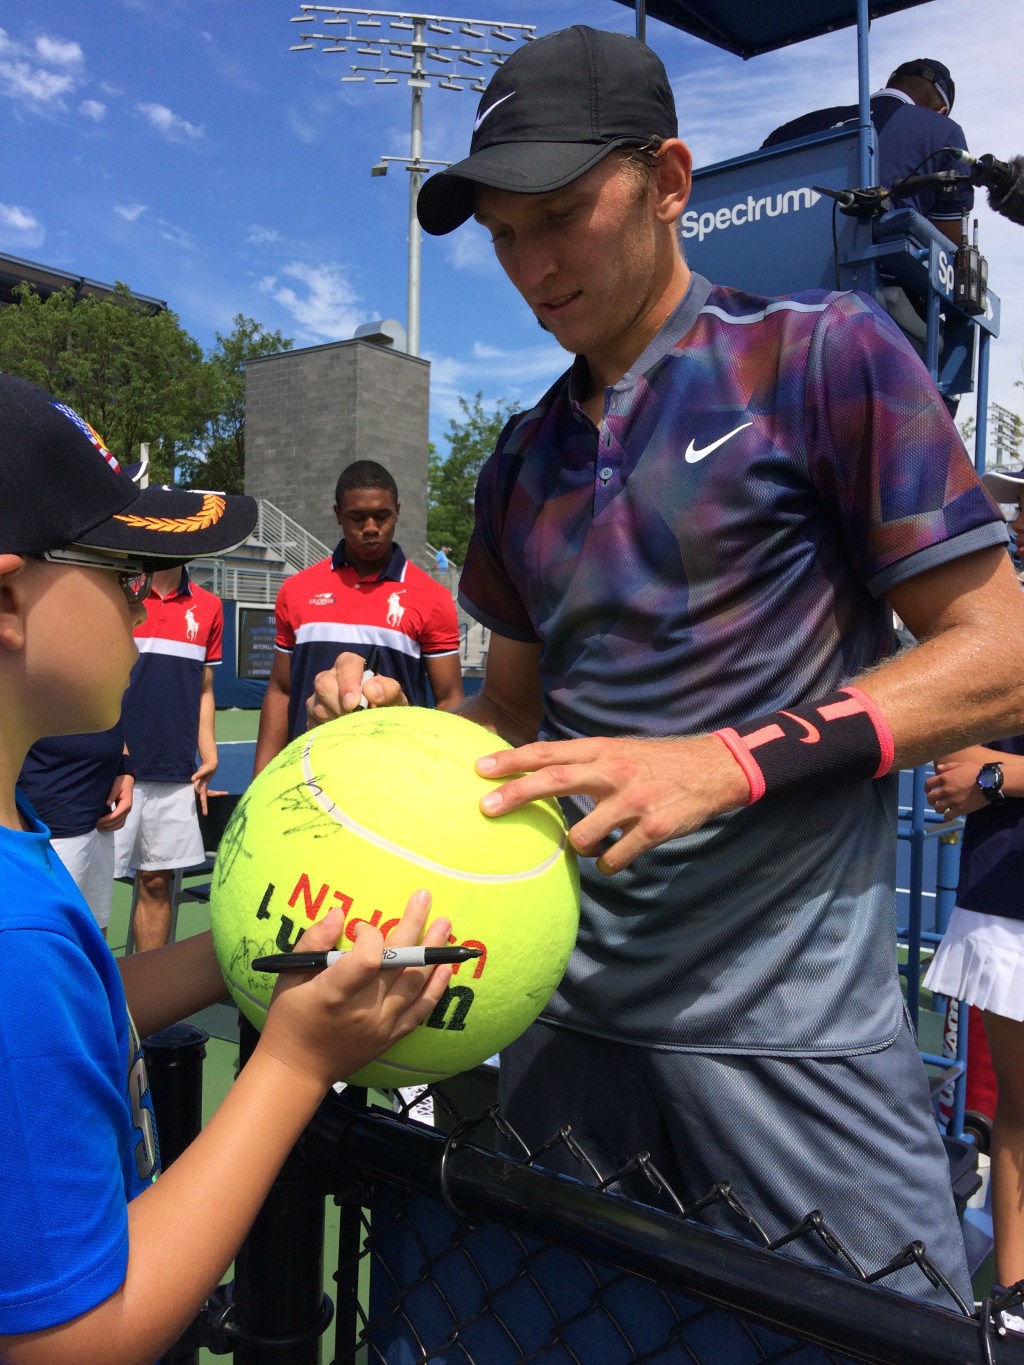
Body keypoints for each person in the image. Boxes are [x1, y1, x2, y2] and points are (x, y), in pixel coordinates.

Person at [309, 27, 1024, 1307]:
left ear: (671, 181)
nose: (531, 267)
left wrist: (728, 761)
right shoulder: (519, 460)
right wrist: (386, 736)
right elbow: (507, 717)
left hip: (791, 1043)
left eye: (561, 215)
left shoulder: (822, 356)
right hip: (551, 1024)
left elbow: (1002, 659)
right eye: (503, 234)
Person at [0, 371, 454, 1363]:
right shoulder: (13, 937)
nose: (146, 602)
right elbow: (74, 1342)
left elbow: (75, 1010)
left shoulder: (16, 833)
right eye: (122, 568)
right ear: (5, 597)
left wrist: (237, 953)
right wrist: (293, 1064)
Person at [924, 466, 1024, 1304]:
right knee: (1021, 1115)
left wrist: (995, 775)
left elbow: (991, 766)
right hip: (1007, 892)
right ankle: (1017, 1303)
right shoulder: (1006, 616)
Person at [253, 460, 463, 776]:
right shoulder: (296, 590)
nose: (370, 527)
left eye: (381, 516)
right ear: (338, 513)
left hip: (392, 775)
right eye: (357, 517)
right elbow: (281, 690)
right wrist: (261, 777)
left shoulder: (432, 597)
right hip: (306, 773)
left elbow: (449, 699)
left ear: (398, 511)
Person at [113, 563, 223, 951]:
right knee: (92, 887)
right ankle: (93, 1002)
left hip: (175, 769)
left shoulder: (209, 606)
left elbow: (205, 688)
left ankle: (146, 1000)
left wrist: (207, 749)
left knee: (158, 883)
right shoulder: (116, 591)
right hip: (110, 765)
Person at [763, 58, 973, 245]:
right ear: (941, 112)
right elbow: (950, 247)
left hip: (773, 274)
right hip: (879, 278)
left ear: (890, 84)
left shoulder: (790, 130)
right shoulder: (945, 131)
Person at [17, 726, 133, 937]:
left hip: (99, 816)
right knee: (49, 941)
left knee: (94, 936)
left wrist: (125, 767)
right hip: (48, 824)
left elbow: (110, 714)